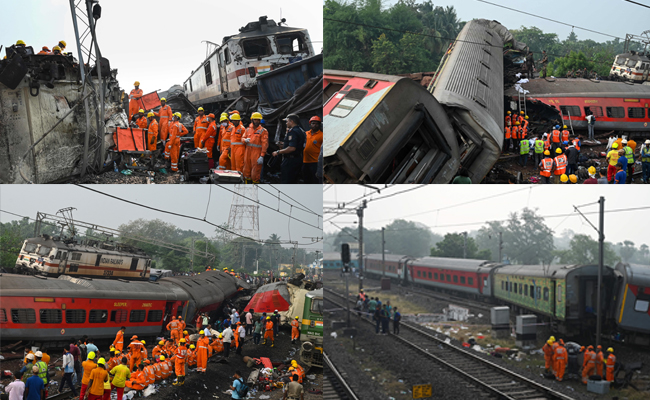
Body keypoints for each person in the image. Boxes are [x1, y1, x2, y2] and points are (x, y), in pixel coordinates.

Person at [272, 114, 305, 183]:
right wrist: (284, 144)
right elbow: (296, 144)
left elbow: (292, 148)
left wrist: (278, 152)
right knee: (293, 180)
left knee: (286, 180)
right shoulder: (300, 130)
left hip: (291, 161)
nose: (286, 123)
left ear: (291, 121)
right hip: (298, 158)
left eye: (287, 121)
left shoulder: (292, 132)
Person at [242, 112, 269, 183]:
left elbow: (264, 144)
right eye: (255, 120)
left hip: (257, 154)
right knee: (246, 171)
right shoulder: (247, 129)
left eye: (258, 120)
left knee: (255, 173)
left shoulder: (263, 131)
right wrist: (245, 140)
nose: (256, 121)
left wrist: (262, 156)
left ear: (260, 120)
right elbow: (242, 138)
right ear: (252, 120)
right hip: (248, 152)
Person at [302, 116, 323, 183]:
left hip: (315, 162)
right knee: (306, 179)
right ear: (310, 124)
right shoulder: (305, 134)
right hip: (305, 161)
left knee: (315, 180)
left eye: (317, 124)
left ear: (319, 125)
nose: (314, 125)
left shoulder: (321, 135)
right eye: (313, 123)